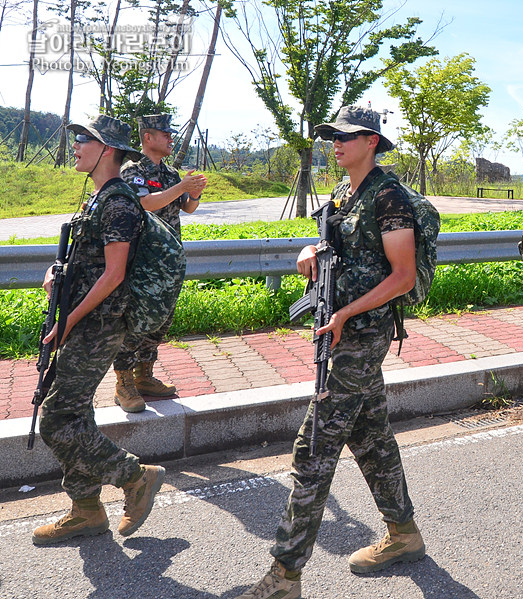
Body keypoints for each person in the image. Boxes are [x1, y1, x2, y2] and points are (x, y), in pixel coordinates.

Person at [237, 106, 425, 599]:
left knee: (314, 447)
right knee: (371, 437)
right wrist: (313, 254)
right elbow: (345, 251)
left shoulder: (388, 197)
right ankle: (404, 534)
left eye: (345, 137)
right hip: (340, 328)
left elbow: (401, 276)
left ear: (372, 142)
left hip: (360, 335)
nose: (334, 144)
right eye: (331, 138)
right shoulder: (345, 193)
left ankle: (285, 575)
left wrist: (344, 315)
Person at [32, 115, 166, 545]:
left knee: (56, 418)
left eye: (82, 140)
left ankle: (134, 477)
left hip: (100, 325)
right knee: (75, 413)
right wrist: (59, 271)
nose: (74, 146)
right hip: (84, 321)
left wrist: (68, 321)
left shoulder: (118, 203)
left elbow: (113, 274)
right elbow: (89, 264)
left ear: (106, 149)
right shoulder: (99, 198)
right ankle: (86, 509)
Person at [110, 114, 207, 413]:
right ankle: (123, 382)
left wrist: (194, 192)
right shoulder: (132, 171)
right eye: (165, 134)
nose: (170, 138)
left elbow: (186, 208)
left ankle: (144, 376)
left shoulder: (171, 173)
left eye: (170, 134)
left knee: (162, 319)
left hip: (168, 260)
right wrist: (181, 188)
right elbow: (145, 203)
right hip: (142, 261)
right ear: (147, 137)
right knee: (136, 322)